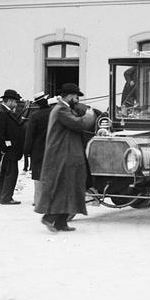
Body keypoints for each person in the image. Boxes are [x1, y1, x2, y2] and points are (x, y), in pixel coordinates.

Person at [36, 83, 96, 232]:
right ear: (69, 96)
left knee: (69, 188)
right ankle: (49, 218)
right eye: (76, 97)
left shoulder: (64, 108)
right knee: (63, 188)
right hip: (62, 156)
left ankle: (61, 222)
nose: (77, 100)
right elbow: (79, 123)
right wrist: (89, 116)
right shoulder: (61, 109)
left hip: (67, 155)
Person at [0, 89, 25, 205]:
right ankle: (6, 197)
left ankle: (1, 196)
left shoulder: (5, 111)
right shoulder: (1, 113)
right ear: (9, 101)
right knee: (11, 173)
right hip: (8, 151)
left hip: (9, 150)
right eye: (15, 102)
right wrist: (5, 147)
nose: (16, 104)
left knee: (5, 172)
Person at [23, 91, 53, 207]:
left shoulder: (34, 115)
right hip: (51, 148)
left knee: (38, 176)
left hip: (38, 150)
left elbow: (29, 135)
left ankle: (38, 200)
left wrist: (27, 151)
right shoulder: (52, 113)